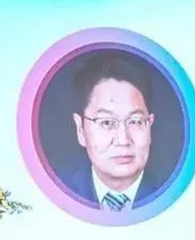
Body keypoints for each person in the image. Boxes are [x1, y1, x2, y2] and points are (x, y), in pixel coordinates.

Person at [67, 52, 161, 212]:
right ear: (80, 129)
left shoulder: (178, 192)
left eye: (135, 121)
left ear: (149, 125)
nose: (123, 140)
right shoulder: (54, 193)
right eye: (107, 122)